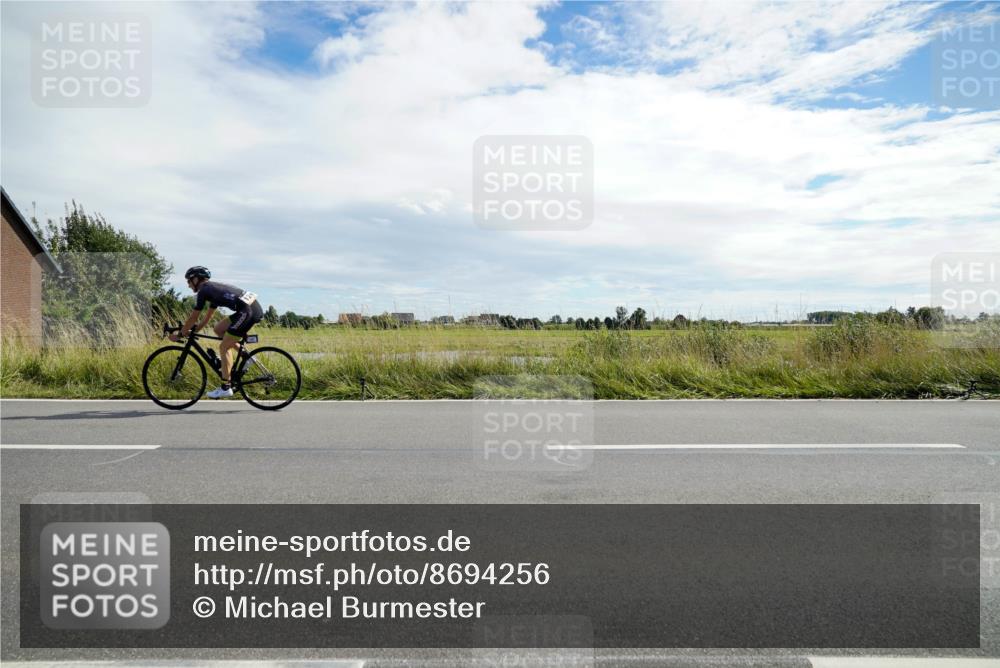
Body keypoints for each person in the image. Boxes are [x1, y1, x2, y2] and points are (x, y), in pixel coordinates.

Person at [171, 266, 263, 398]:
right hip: (248, 309)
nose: (188, 285)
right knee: (218, 329)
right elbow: (206, 319)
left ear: (196, 279)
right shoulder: (212, 290)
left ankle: (226, 387)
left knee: (224, 347)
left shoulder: (204, 290)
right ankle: (246, 357)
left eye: (189, 281)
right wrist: (193, 331)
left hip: (248, 312)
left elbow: (194, 317)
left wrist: (180, 334)